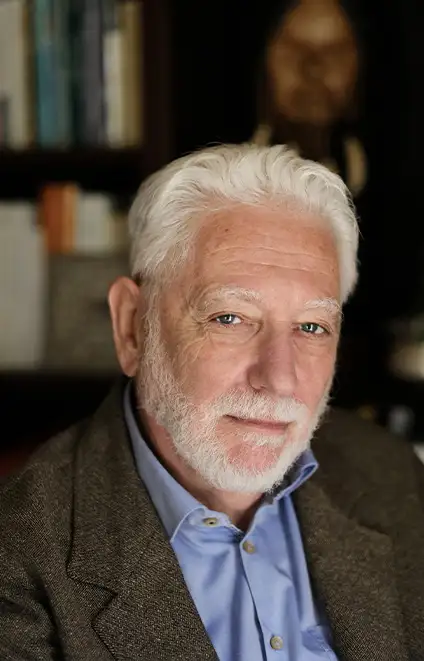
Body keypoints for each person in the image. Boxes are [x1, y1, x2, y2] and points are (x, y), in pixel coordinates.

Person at [1, 144, 423, 661]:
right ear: (132, 328)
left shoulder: (394, 478)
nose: (279, 379)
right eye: (230, 318)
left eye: (312, 327)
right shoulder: (18, 553)